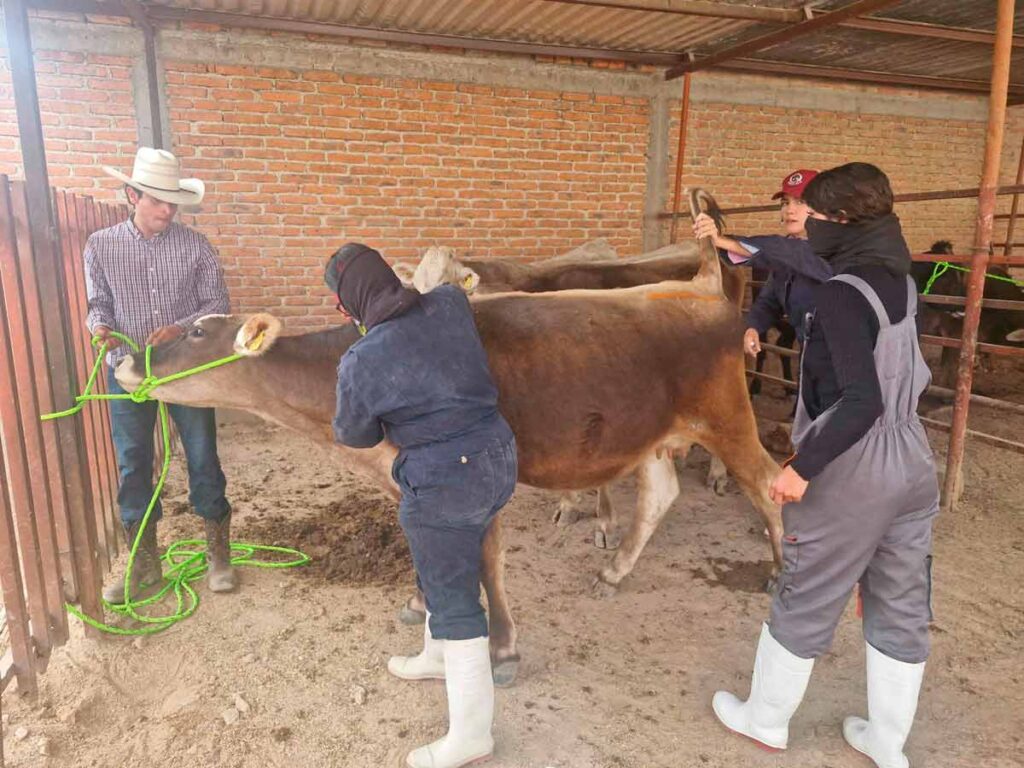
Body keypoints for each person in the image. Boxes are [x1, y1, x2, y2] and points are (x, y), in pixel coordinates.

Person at [711, 163, 939, 768]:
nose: (804, 225)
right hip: (912, 459)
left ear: (839, 220)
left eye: (812, 214)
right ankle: (886, 742)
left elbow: (860, 401)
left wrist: (800, 467)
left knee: (807, 588)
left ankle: (765, 721)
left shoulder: (841, 295)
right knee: (900, 597)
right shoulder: (901, 280)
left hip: (853, 462)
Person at [326, 243, 517, 768]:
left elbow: (356, 436)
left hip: (446, 478)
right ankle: (435, 657)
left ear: (347, 309)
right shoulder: (450, 304)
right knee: (444, 567)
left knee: (456, 601)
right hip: (499, 454)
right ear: (391, 276)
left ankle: (472, 737)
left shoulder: (362, 358)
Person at [85, 147, 236, 601]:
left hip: (186, 370)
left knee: (202, 455)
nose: (167, 210)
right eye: (156, 200)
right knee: (133, 463)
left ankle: (218, 553)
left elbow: (217, 305)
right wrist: (102, 329)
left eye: (172, 201)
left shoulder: (196, 247)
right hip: (128, 370)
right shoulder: (100, 245)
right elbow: (98, 305)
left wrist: (181, 328)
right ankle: (144, 561)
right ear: (132, 196)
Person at [694, 170, 831, 383]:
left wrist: (720, 240)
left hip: (845, 358)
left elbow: (785, 250)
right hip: (812, 354)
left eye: (801, 201)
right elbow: (769, 301)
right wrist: (753, 326)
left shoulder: (830, 249)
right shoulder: (787, 256)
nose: (790, 210)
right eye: (786, 202)